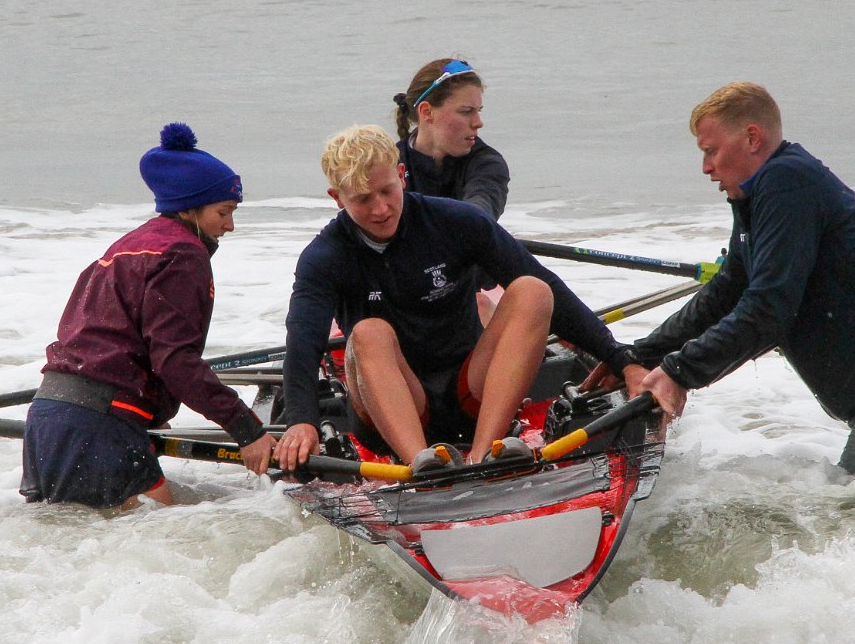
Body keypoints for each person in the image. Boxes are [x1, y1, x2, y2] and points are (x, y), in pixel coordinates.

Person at [587, 83, 855, 477]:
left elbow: (769, 310)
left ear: (752, 137)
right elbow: (727, 293)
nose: (706, 168)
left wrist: (680, 373)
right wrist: (640, 356)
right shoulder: (759, 197)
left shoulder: (787, 183)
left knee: (853, 519)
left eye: (711, 152)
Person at [273, 125, 639, 476]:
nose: (381, 209)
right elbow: (304, 340)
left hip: (471, 393)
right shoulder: (323, 257)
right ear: (337, 198)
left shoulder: (457, 221)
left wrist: (621, 359)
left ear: (401, 174)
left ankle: (484, 453)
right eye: (363, 199)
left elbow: (551, 287)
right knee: (369, 332)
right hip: (394, 410)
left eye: (387, 191)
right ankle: (421, 464)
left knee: (533, 290)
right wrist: (300, 421)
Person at [22, 124, 274, 508]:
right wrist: (247, 429)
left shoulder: (128, 245)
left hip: (49, 414)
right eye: (223, 212)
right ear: (189, 208)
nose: (230, 225)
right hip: (99, 424)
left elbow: (105, 337)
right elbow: (176, 361)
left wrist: (151, 411)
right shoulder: (182, 256)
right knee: (175, 544)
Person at [392, 58, 510, 220]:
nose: (478, 123)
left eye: (478, 111)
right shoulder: (388, 163)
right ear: (427, 112)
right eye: (466, 111)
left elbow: (480, 210)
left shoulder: (487, 163)